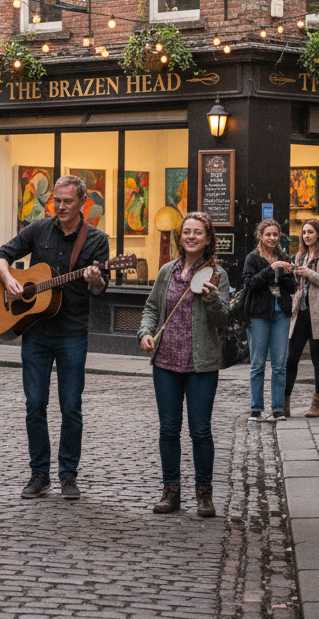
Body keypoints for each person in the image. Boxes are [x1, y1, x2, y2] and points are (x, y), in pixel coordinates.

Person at [0, 174, 110, 501]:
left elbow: (100, 290)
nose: (60, 206)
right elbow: (1, 255)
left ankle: (68, 475)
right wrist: (8, 279)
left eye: (67, 201)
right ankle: (39, 474)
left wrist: (94, 279)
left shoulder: (96, 240)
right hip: (36, 331)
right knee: (35, 405)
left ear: (82, 202)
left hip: (72, 332)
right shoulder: (38, 229)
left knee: (71, 406)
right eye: (56, 200)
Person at [137, 212, 230, 518]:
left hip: (201, 364)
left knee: (201, 431)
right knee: (168, 430)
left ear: (207, 238)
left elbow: (223, 318)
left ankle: (204, 495)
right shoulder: (167, 271)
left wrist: (212, 299)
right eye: (186, 232)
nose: (191, 236)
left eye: (197, 232)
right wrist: (146, 332)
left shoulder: (218, 274)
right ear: (180, 237)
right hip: (165, 362)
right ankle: (170, 491)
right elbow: (152, 307)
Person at [241, 219, 296, 421]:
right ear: (260, 236)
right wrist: (272, 269)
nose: (272, 238)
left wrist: (287, 273)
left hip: (281, 314)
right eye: (268, 235)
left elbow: (292, 289)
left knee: (280, 364)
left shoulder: (284, 256)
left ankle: (278, 409)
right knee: (257, 364)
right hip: (258, 316)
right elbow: (249, 284)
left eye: (275, 235)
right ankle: (256, 409)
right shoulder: (253, 258)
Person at [286, 219, 319, 418]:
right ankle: (285, 404)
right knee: (291, 359)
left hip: (318, 314)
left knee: (318, 359)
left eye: (310, 232)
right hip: (300, 313)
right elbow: (298, 286)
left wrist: (310, 273)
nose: (306, 236)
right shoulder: (300, 255)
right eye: (304, 232)